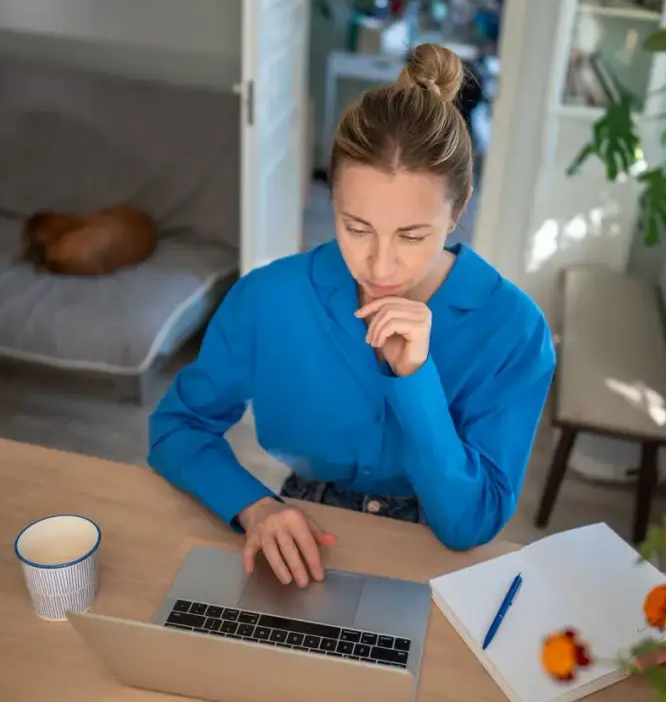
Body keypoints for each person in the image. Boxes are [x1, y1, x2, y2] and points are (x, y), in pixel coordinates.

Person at [148, 43, 556, 589]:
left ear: (458, 212)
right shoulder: (269, 298)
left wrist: (415, 377)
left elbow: (470, 524)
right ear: (331, 196)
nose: (380, 264)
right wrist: (253, 506)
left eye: (412, 236)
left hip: (433, 551)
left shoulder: (516, 332)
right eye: (356, 227)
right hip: (304, 530)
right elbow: (177, 427)